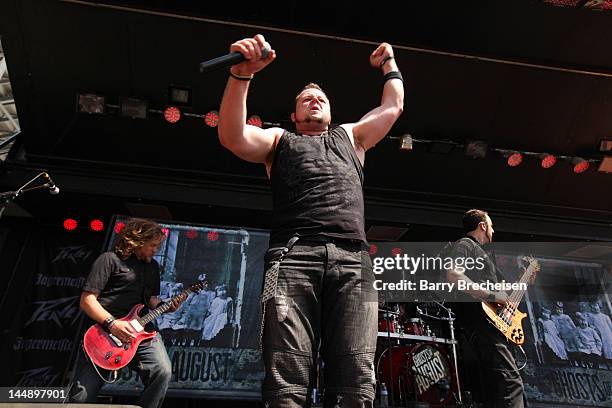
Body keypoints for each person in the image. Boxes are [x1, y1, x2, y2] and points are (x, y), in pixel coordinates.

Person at [217, 34, 403, 406]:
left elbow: (393, 107)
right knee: (286, 376)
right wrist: (241, 76)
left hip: (353, 261)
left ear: (331, 112)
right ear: (294, 115)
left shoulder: (351, 137)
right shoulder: (278, 140)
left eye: (320, 98)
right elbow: (233, 136)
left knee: (355, 377)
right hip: (292, 258)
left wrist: (389, 64)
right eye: (305, 100)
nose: (314, 100)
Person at [68, 218, 183, 408]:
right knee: (82, 396)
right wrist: (113, 323)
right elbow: (87, 300)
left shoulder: (152, 266)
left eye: (158, 246)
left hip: (142, 332)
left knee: (162, 371)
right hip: (105, 333)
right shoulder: (109, 260)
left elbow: (151, 298)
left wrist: (167, 305)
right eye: (152, 245)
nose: (156, 250)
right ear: (137, 240)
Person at [446, 209, 525, 408]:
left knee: (497, 387)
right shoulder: (465, 244)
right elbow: (454, 276)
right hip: (482, 325)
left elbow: (501, 293)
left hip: (491, 325)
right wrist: (492, 295)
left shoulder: (482, 255)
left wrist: (522, 280)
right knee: (510, 384)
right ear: (482, 225)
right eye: (491, 224)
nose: (493, 229)